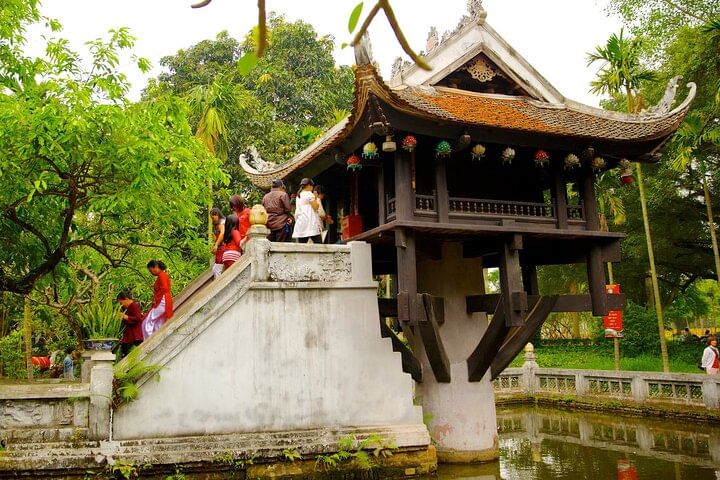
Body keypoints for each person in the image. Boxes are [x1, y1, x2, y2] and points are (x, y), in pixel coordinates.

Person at [142, 260, 174, 340]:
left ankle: (149, 340)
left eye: (151, 270)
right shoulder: (162, 275)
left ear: (155, 267)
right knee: (159, 322)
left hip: (162, 299)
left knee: (147, 321)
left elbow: (164, 288)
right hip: (165, 299)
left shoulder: (162, 275)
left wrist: (156, 299)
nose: (151, 273)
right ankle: (158, 338)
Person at [292, 178, 322, 244]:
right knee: (319, 244)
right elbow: (316, 207)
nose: (312, 188)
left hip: (301, 222)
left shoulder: (298, 196)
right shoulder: (309, 194)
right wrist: (316, 198)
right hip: (310, 222)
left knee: (302, 246)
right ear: (309, 185)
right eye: (312, 186)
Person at [117, 291, 143, 358]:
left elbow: (138, 318)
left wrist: (126, 317)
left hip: (135, 336)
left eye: (121, 303)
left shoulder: (134, 306)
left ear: (126, 299)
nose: (121, 305)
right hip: (130, 336)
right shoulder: (129, 307)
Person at [210, 207, 226, 279]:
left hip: (223, 247)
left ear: (217, 215)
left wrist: (216, 245)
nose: (212, 220)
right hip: (220, 248)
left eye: (213, 218)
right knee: (215, 269)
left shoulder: (222, 222)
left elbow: (222, 233)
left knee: (216, 269)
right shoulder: (218, 224)